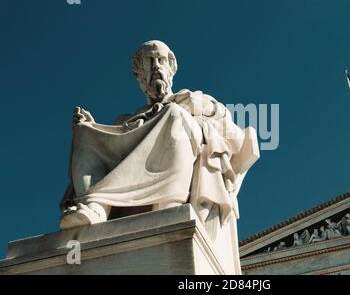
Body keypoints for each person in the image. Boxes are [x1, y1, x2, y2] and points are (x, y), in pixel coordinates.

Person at [59, 40, 259, 231]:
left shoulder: (194, 100)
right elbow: (111, 150)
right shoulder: (125, 120)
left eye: (161, 60)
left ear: (171, 67)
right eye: (149, 61)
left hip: (182, 149)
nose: (156, 66)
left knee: (174, 114)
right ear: (139, 74)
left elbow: (236, 140)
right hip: (129, 165)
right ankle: (95, 208)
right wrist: (92, 128)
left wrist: (203, 108)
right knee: (84, 133)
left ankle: (168, 208)